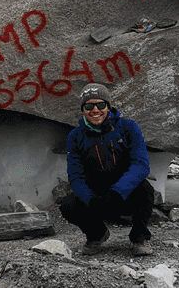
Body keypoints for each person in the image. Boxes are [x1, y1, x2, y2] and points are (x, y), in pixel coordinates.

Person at [59, 83, 155, 256]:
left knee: (145, 190)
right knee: (68, 205)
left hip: (124, 191)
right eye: (89, 106)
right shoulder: (75, 137)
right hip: (97, 193)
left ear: (108, 106)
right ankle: (97, 234)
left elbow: (141, 165)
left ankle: (139, 238)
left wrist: (119, 191)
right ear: (83, 109)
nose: (95, 110)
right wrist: (90, 199)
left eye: (101, 105)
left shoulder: (128, 128)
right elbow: (75, 176)